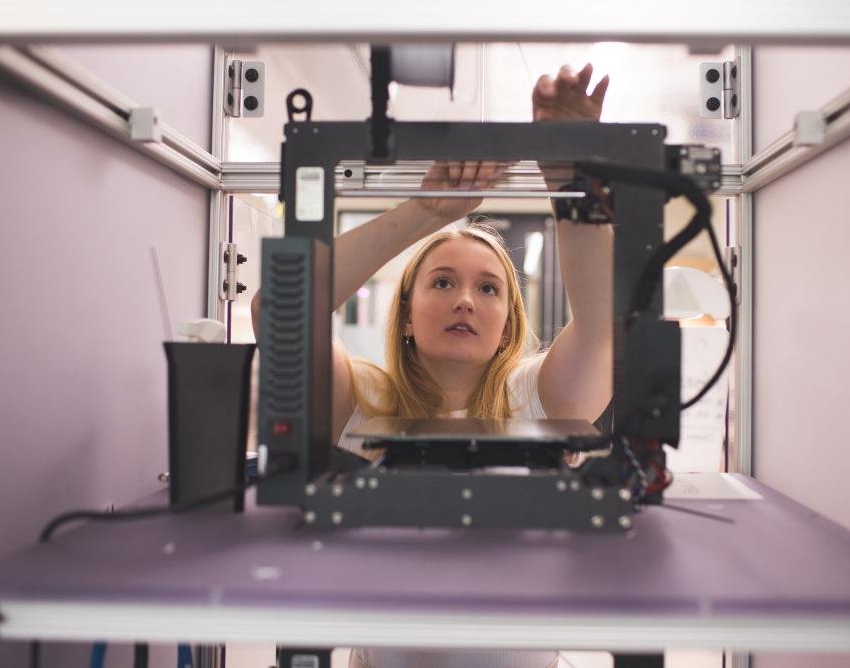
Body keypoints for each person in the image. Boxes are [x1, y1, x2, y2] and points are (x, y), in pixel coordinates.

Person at [252, 64, 613, 668]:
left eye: (489, 289)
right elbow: (280, 311)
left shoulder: (537, 401)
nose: (466, 299)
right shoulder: (363, 401)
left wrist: (574, 176)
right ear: (409, 317)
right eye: (442, 281)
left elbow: (603, 327)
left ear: (507, 329)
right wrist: (424, 212)